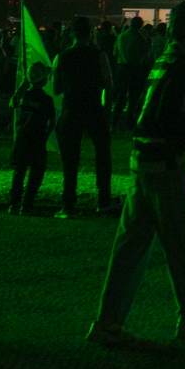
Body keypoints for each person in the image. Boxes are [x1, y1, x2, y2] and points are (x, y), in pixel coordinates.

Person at [88, 0, 185, 346]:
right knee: (180, 244)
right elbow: (173, 114)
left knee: (130, 247)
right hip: (164, 164)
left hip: (144, 160)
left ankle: (108, 323)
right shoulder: (180, 63)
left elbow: (147, 109)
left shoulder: (165, 58)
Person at [52, 16, 116, 218]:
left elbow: (56, 88)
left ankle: (69, 204)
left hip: (71, 108)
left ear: (71, 33)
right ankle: (104, 200)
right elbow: (108, 85)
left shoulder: (61, 57)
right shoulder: (99, 55)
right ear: (90, 33)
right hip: (94, 107)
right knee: (103, 154)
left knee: (70, 159)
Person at [7, 64, 57, 215]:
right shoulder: (47, 100)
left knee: (19, 170)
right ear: (44, 80)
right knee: (36, 172)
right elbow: (52, 122)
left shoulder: (24, 96)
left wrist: (23, 85)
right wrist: (46, 136)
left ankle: (14, 203)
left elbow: (12, 103)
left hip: (22, 137)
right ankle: (27, 204)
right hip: (38, 138)